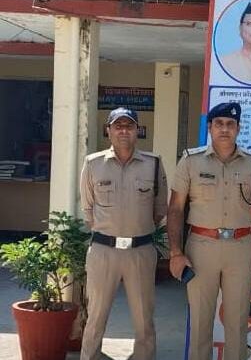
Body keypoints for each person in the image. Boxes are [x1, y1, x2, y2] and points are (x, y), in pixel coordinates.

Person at [167, 101, 251, 360]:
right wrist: (175, 252)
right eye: (219, 123)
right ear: (209, 127)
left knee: (238, 323)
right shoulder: (190, 161)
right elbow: (175, 208)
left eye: (230, 124)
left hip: (240, 249)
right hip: (201, 247)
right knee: (200, 322)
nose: (224, 129)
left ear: (238, 129)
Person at [80, 107, 168, 360]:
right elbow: (88, 209)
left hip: (140, 252)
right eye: (117, 126)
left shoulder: (153, 164)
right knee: (95, 318)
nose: (123, 131)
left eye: (129, 126)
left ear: (137, 131)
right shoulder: (93, 164)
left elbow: (159, 210)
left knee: (144, 321)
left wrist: (135, 230)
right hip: (103, 251)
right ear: (108, 130)